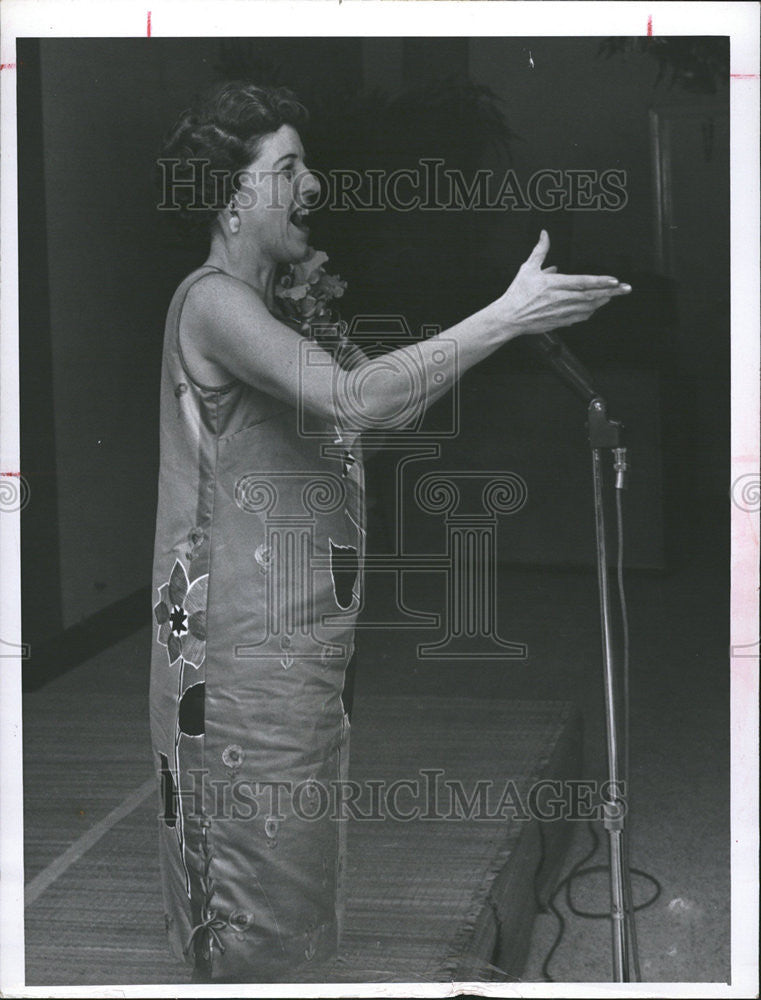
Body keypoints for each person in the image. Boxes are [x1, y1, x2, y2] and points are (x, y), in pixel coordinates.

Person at [149, 80, 631, 983]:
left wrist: (498, 326)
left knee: (295, 872)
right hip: (240, 654)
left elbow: (387, 405)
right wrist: (507, 313)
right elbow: (358, 400)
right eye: (287, 167)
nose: (314, 184)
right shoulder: (213, 302)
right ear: (231, 195)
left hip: (302, 640)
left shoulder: (282, 306)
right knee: (256, 884)